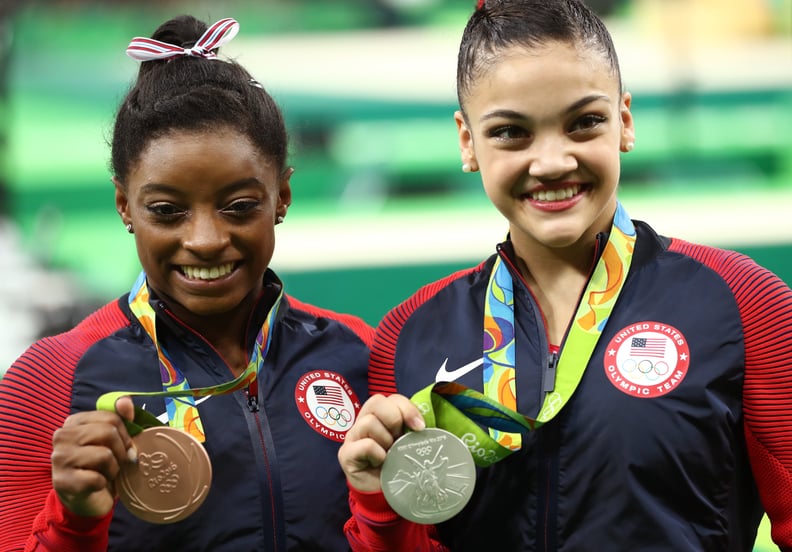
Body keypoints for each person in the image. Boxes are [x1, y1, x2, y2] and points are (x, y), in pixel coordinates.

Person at [337, 0, 792, 550]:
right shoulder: (409, 334)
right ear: (467, 141)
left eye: (584, 123)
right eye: (511, 132)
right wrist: (379, 508)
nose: (552, 162)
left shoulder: (743, 302)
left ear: (624, 121)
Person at [0, 15, 372, 551]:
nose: (204, 239)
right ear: (125, 206)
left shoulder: (358, 354)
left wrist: (383, 509)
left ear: (282, 197)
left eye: (240, 206)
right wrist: (74, 521)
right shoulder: (48, 381)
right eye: (167, 211)